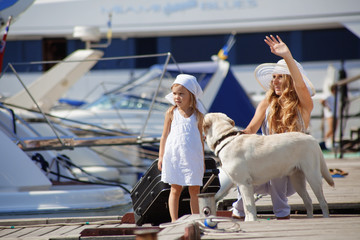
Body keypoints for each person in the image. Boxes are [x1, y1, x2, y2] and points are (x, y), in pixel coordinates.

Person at [232, 35, 315, 220]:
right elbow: (251, 129)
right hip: (266, 169)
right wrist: (231, 137)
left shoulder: (303, 106)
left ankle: (282, 214)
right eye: (274, 77)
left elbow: (300, 86)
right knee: (241, 177)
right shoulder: (266, 103)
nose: (275, 81)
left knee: (275, 160)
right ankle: (237, 213)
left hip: (292, 172)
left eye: (281, 77)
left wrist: (287, 56)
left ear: (289, 81)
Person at [158, 74, 206, 222]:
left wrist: (202, 159)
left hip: (193, 156)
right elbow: (164, 136)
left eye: (181, 94)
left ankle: (196, 219)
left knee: (194, 189)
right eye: (174, 94)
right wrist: (161, 156)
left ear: (191, 95)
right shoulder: (171, 113)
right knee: (175, 188)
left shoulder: (198, 115)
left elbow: (200, 138)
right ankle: (174, 220)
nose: (177, 97)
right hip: (174, 156)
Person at [320, 85, 337, 150]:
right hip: (330, 114)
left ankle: (332, 143)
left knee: (334, 129)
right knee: (331, 129)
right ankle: (324, 141)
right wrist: (327, 107)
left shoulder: (335, 96)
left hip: (335, 114)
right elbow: (322, 101)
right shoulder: (329, 95)